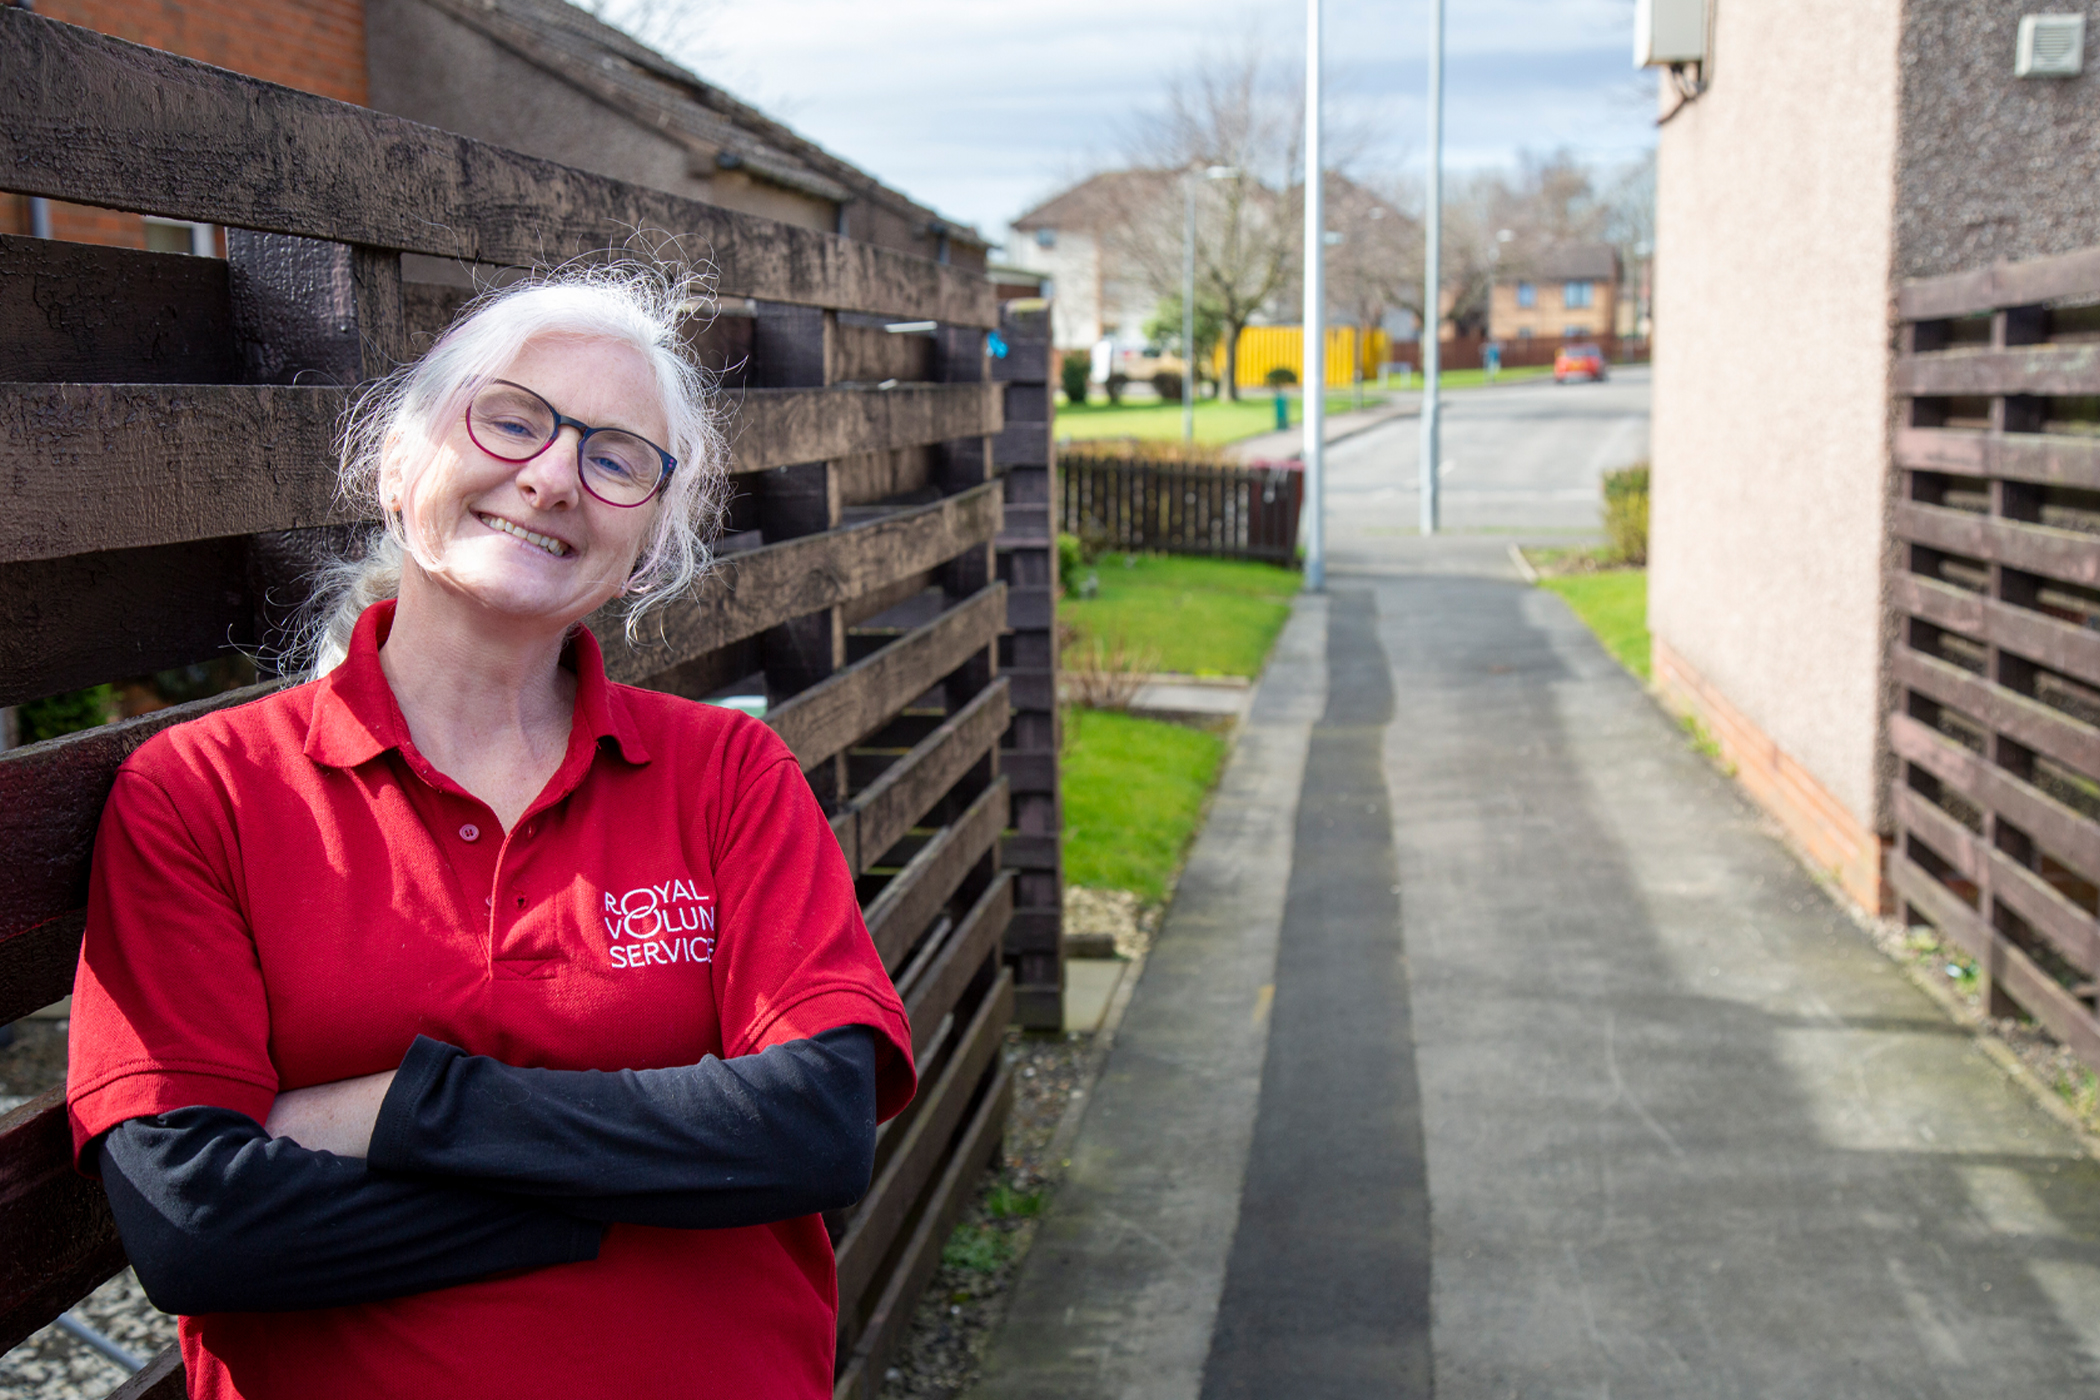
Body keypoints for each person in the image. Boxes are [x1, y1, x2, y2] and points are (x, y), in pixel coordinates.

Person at [65, 263, 917, 1400]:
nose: (554, 476)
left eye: (617, 457)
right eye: (510, 418)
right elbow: (197, 1224)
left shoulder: (726, 775)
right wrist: (639, 1184)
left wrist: (401, 1106)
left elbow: (815, 1124)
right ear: (397, 462)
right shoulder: (206, 791)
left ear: (650, 545)